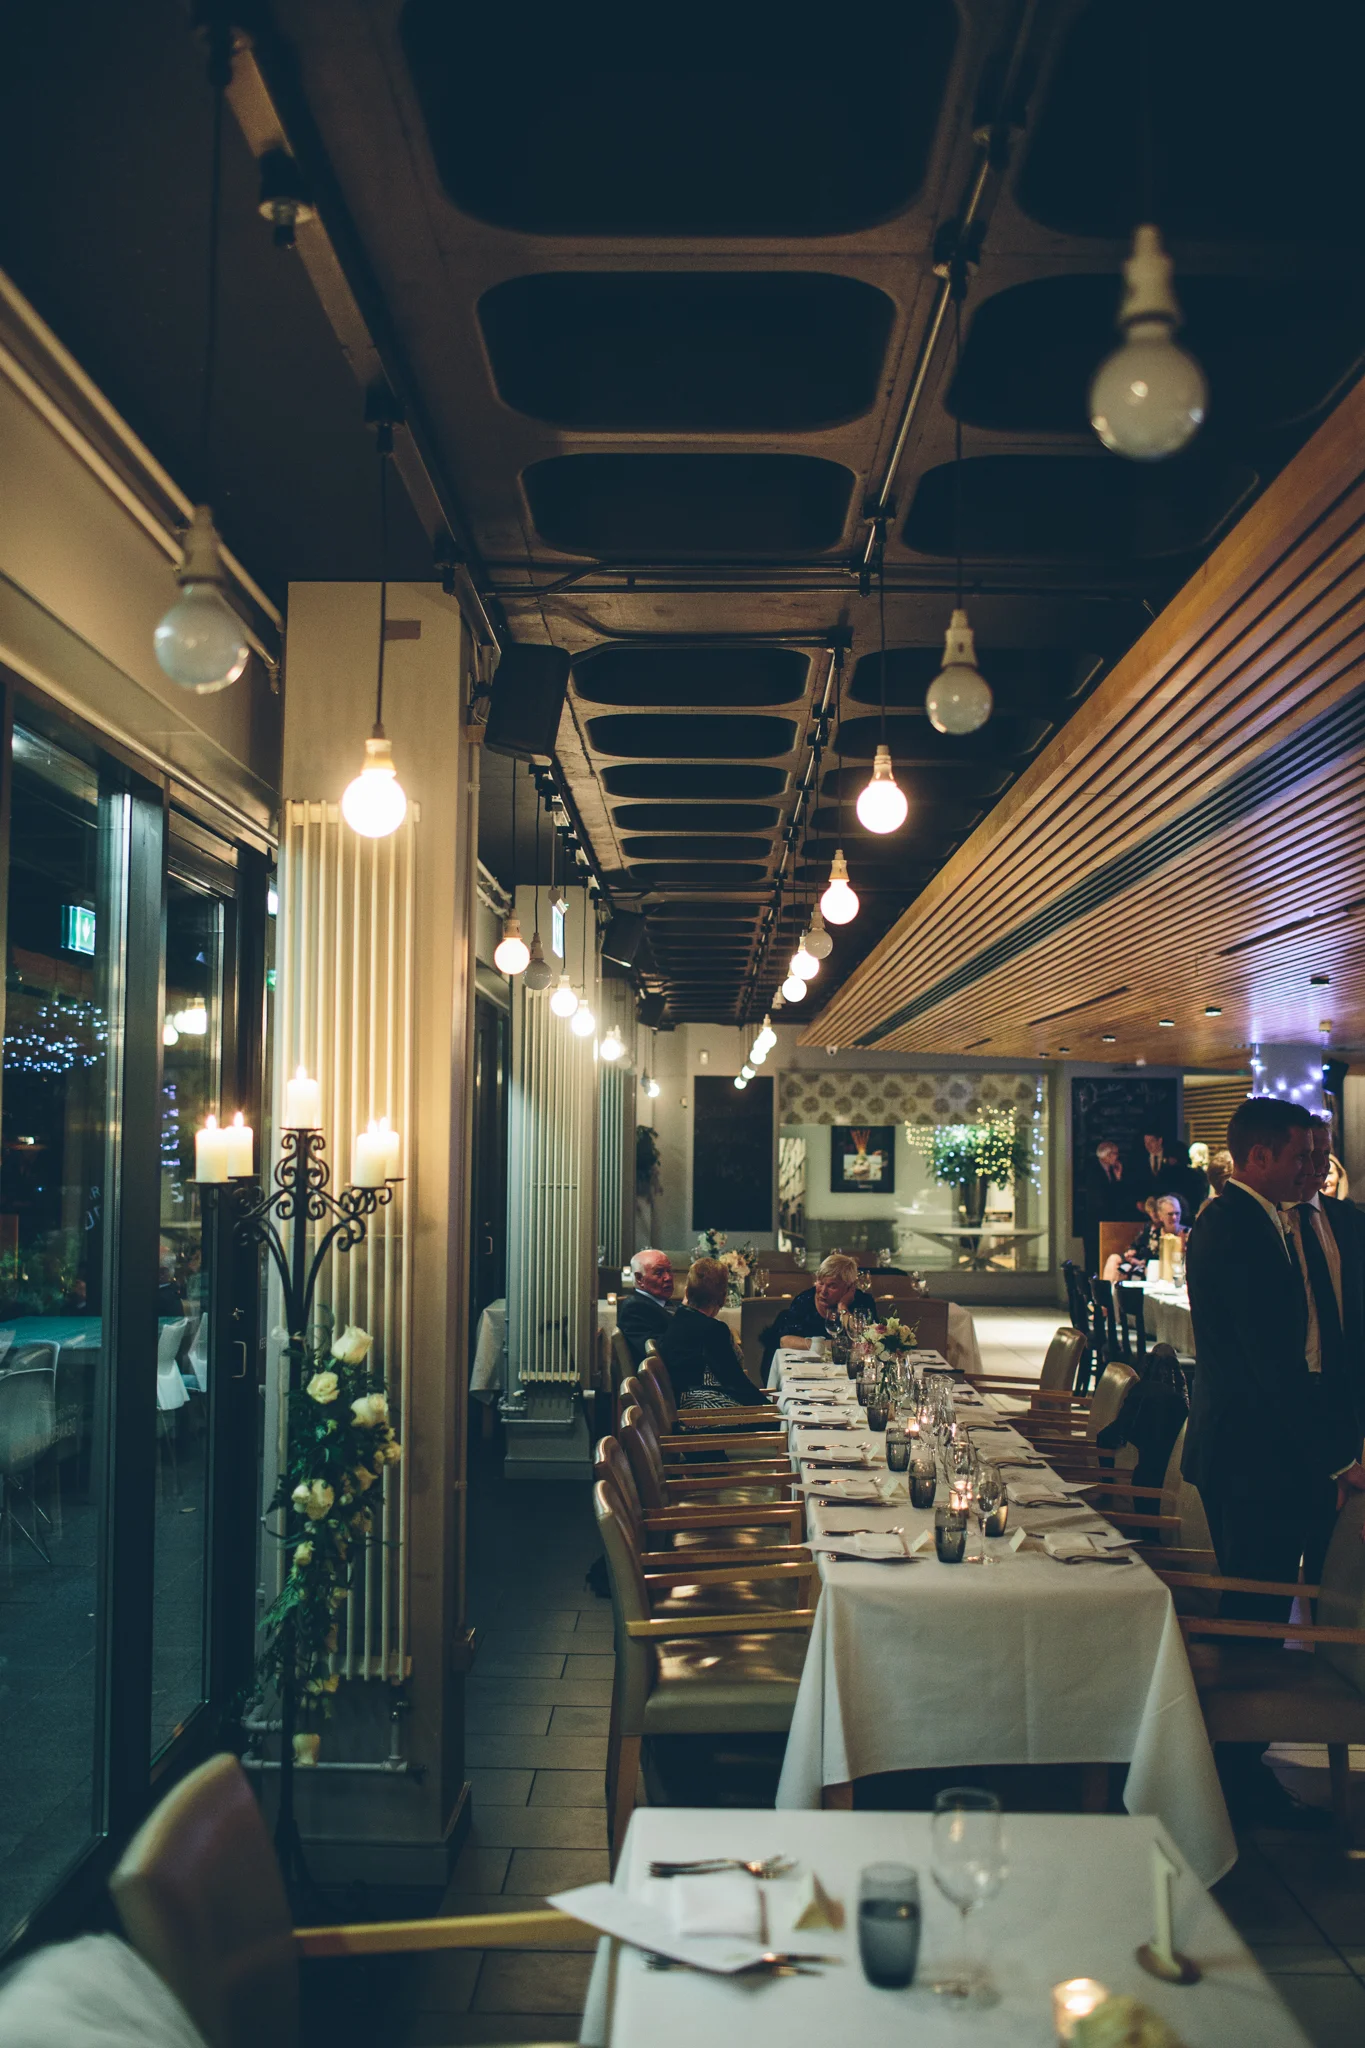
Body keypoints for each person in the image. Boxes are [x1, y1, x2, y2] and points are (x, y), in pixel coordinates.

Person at [1184, 1096, 1365, 1825]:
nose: (1317, 1169)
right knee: (1251, 1604)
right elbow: (1271, 1363)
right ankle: (1229, 1777)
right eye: (1303, 1156)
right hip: (1251, 1453)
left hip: (1294, 1445)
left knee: (1294, 1592)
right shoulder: (1229, 1227)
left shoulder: (1305, 1220)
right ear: (1256, 1157)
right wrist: (1335, 1461)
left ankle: (1241, 1763)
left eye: (1321, 1155)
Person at [656, 1258, 762, 1411]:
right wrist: (771, 1409)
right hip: (702, 1413)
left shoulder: (678, 1319)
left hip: (686, 1406)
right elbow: (735, 1382)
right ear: (723, 1297)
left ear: (687, 1292)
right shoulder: (712, 1329)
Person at [758, 1252, 877, 1383]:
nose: (823, 1291)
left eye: (832, 1286)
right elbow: (785, 1340)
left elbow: (866, 1341)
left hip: (850, 1374)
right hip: (806, 1373)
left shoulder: (862, 1303)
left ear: (849, 1287)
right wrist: (830, 1345)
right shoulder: (805, 1300)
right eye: (820, 1283)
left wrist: (843, 1307)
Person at [1102, 1193, 1184, 1285]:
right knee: (1114, 1260)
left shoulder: (1186, 1234)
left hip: (1163, 1270)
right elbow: (1136, 1247)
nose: (1174, 1217)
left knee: (1138, 1273)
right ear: (1161, 1216)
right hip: (1143, 1265)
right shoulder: (1152, 1232)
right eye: (1170, 1214)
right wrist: (1131, 1253)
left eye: (1177, 1213)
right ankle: (1106, 1296)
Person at [616, 1247, 674, 1365]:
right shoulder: (635, 1308)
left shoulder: (661, 1302)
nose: (668, 1278)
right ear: (639, 1279)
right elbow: (663, 1352)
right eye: (659, 1273)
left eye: (669, 1271)